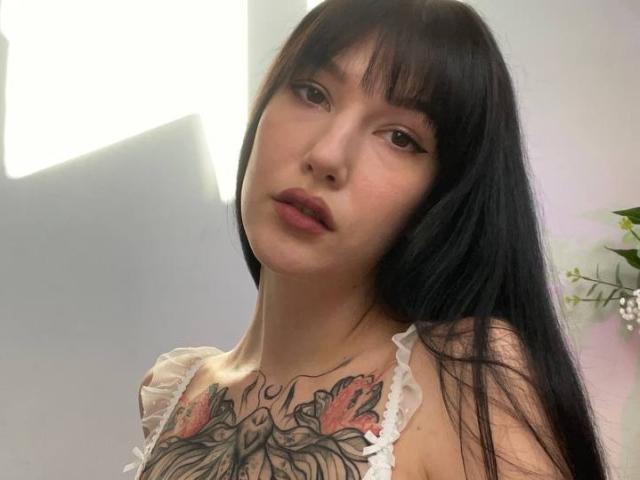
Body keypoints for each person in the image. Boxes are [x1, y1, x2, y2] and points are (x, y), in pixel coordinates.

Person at [123, 0, 611, 479]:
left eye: (399, 137)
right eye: (313, 93)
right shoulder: (173, 392)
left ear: (442, 196)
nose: (327, 156)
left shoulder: (464, 377)